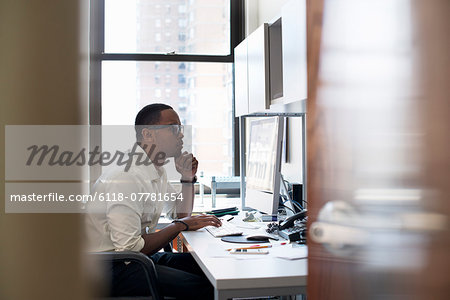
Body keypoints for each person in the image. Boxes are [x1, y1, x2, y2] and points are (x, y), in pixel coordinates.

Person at [85, 103, 221, 299]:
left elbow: (180, 214)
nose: (181, 135)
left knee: (208, 266)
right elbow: (130, 248)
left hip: (133, 259)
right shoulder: (127, 176)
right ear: (148, 134)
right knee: (204, 287)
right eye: (174, 128)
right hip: (109, 268)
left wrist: (187, 179)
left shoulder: (155, 170)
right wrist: (179, 226)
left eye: (180, 128)